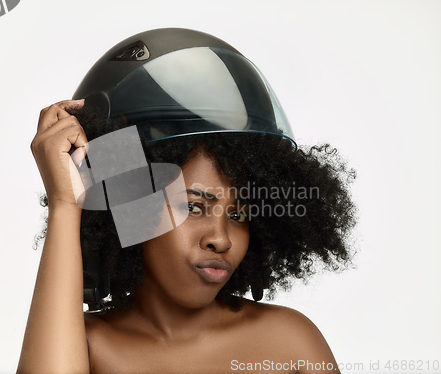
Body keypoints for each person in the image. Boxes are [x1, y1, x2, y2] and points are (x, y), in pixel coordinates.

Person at [18, 29, 356, 373]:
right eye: (194, 207)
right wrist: (66, 203)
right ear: (131, 206)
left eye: (238, 215)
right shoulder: (84, 347)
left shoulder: (288, 343)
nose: (221, 239)